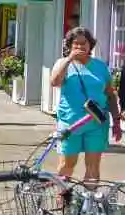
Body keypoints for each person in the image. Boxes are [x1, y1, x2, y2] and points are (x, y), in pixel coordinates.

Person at [51, 27, 122, 182]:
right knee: (66, 165)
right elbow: (55, 82)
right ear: (69, 46)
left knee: (93, 166)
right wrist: (69, 59)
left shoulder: (100, 66)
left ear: (90, 45)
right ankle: (63, 200)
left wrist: (116, 121)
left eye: (84, 43)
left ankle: (89, 203)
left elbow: (110, 94)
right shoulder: (63, 63)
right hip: (70, 124)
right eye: (75, 44)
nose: (80, 47)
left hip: (96, 123)